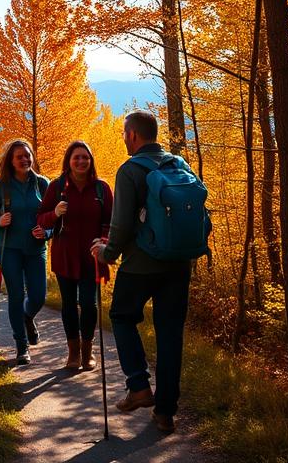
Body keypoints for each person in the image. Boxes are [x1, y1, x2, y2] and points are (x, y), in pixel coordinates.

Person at [91, 110, 194, 434]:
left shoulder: (131, 170)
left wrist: (106, 254)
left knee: (121, 317)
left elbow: (120, 225)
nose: (123, 138)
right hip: (178, 265)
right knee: (170, 335)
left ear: (133, 135)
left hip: (141, 265)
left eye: (124, 133)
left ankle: (138, 386)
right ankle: (165, 413)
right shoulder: (180, 165)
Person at [37, 141, 113, 371]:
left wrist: (103, 240)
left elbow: (110, 221)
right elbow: (41, 218)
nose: (81, 162)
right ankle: (73, 354)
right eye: (76, 158)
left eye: (85, 158)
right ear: (68, 161)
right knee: (69, 304)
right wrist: (55, 213)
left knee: (89, 305)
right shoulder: (56, 186)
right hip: (65, 255)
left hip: (92, 256)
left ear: (91, 161)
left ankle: (88, 352)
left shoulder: (101, 188)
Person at [0, 139, 50, 365]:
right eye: (20, 156)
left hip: (36, 249)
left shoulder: (43, 184)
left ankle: (27, 318)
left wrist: (47, 232)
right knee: (16, 296)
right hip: (8, 249)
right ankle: (22, 347)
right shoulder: (1, 187)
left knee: (38, 296)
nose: (25, 159)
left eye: (27, 156)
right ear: (11, 160)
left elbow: (54, 218)